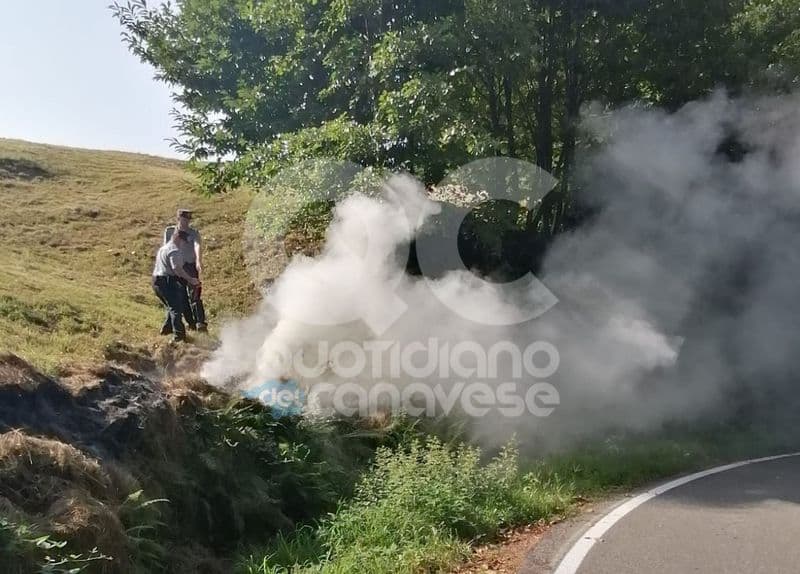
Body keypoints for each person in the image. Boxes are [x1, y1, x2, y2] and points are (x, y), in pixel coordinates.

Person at [164, 208, 207, 332]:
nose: (186, 223)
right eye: (183, 220)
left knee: (195, 294)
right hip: (176, 267)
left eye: (188, 220)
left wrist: (199, 260)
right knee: (180, 296)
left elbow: (197, 245)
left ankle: (201, 323)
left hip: (190, 266)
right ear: (178, 219)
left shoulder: (193, 233)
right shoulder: (169, 231)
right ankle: (190, 323)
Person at [152, 230, 199, 342]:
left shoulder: (163, 248)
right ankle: (179, 337)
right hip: (166, 282)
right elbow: (177, 269)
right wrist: (191, 279)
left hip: (156, 281)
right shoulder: (174, 250)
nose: (185, 245)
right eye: (184, 242)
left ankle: (166, 330)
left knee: (171, 306)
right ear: (178, 239)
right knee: (176, 309)